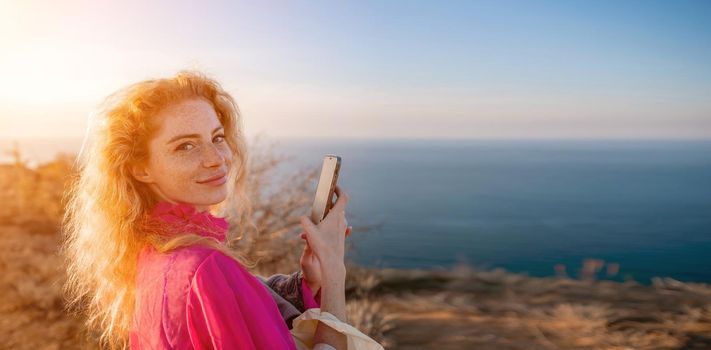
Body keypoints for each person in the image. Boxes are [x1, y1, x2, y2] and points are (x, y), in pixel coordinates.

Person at [61, 70, 382, 349]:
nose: (216, 158)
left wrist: (308, 281)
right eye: (185, 145)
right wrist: (334, 273)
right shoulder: (206, 268)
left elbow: (244, 312)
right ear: (140, 168)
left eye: (217, 137)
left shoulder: (152, 254)